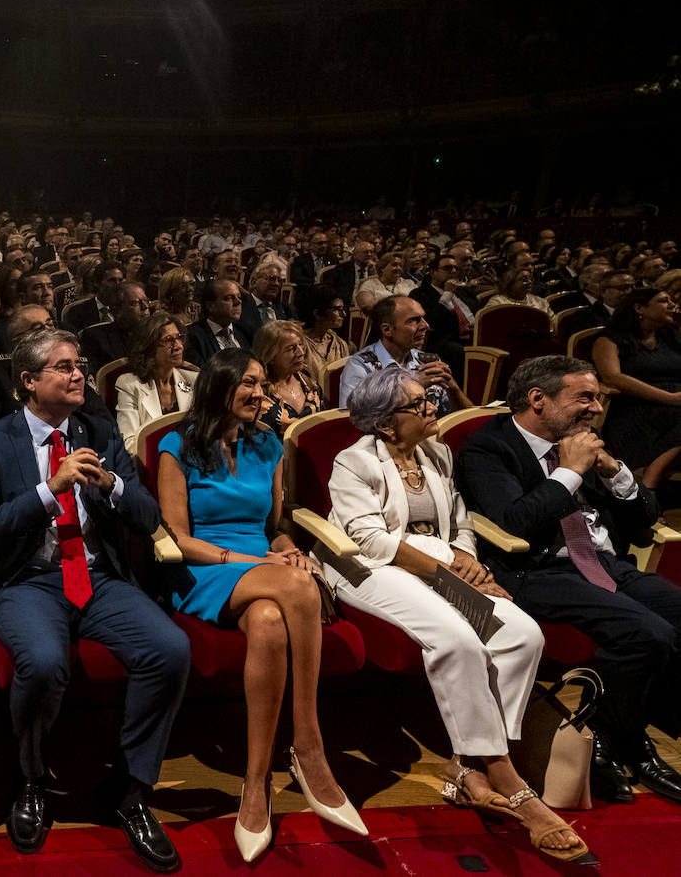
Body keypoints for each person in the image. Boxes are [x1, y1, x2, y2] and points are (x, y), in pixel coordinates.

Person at [329, 370, 589, 864]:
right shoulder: (355, 460)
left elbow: (462, 522)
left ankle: (467, 766)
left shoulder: (438, 453)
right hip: (373, 567)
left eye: (429, 398)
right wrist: (450, 570)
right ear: (386, 424)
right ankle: (504, 773)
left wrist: (471, 562)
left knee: (523, 636)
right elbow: (368, 540)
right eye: (419, 403)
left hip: (443, 561)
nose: (433, 407)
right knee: (458, 641)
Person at [0, 327, 190, 872]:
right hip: (28, 580)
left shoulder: (101, 431)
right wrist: (50, 490)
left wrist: (110, 482)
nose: (78, 374)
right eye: (63, 367)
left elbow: (147, 514)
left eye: (79, 365)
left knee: (170, 649)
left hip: (98, 578)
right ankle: (32, 778)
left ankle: (131, 790)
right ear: (28, 381)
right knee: (41, 663)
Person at [155, 349, 366, 863]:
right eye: (248, 384)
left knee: (271, 623)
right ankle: (309, 746)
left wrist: (284, 550)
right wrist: (246, 559)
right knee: (299, 587)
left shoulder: (269, 443)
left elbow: (273, 529)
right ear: (218, 387)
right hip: (203, 569)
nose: (260, 395)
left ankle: (255, 783)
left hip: (258, 572)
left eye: (262, 386)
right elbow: (178, 538)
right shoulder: (175, 444)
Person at [457, 356, 681, 806]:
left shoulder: (580, 441)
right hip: (537, 569)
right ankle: (622, 741)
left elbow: (643, 523)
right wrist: (570, 472)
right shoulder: (489, 448)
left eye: (596, 398)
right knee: (647, 634)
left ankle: (612, 734)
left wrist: (615, 474)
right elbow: (513, 525)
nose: (596, 408)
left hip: (604, 562)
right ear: (538, 399)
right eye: (585, 397)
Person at [592, 288, 681, 489]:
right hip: (634, 408)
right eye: (664, 301)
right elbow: (613, 377)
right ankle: (649, 484)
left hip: (675, 405)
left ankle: (648, 480)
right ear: (639, 307)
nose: (672, 305)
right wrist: (671, 398)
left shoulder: (671, 337)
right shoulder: (610, 339)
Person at [338, 295, 472, 416]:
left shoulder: (427, 362)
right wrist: (412, 385)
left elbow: (465, 420)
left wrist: (454, 390)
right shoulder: (361, 366)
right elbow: (353, 419)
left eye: (423, 318)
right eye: (414, 320)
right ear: (387, 330)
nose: (425, 325)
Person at [115, 312, 197, 455]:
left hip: (192, 460)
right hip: (152, 465)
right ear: (150, 347)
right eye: (169, 340)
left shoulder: (194, 380)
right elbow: (129, 443)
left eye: (179, 338)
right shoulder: (129, 385)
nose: (178, 346)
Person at [254, 320, 323, 431]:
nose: (300, 353)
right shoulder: (259, 394)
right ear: (270, 356)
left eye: (301, 345)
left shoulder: (311, 385)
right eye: (291, 349)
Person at [81, 281, 150, 378]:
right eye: (135, 303)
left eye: (146, 301)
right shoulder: (95, 338)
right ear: (116, 309)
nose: (145, 307)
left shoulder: (156, 334)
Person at [184, 278, 249, 368]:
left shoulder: (246, 332)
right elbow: (201, 375)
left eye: (239, 297)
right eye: (229, 298)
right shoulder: (192, 336)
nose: (238, 302)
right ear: (210, 306)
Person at [297, 285, 350, 386]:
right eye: (337, 309)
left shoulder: (340, 344)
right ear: (317, 313)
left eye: (343, 309)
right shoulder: (298, 344)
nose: (343, 314)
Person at [237, 262, 295, 341]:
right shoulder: (241, 307)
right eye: (272, 279)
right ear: (254, 282)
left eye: (279, 280)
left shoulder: (286, 310)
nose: (276, 284)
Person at [486, 262, 552, 314]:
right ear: (509, 284)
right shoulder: (496, 303)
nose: (529, 282)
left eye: (530, 279)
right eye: (524, 279)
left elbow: (552, 325)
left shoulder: (540, 302)